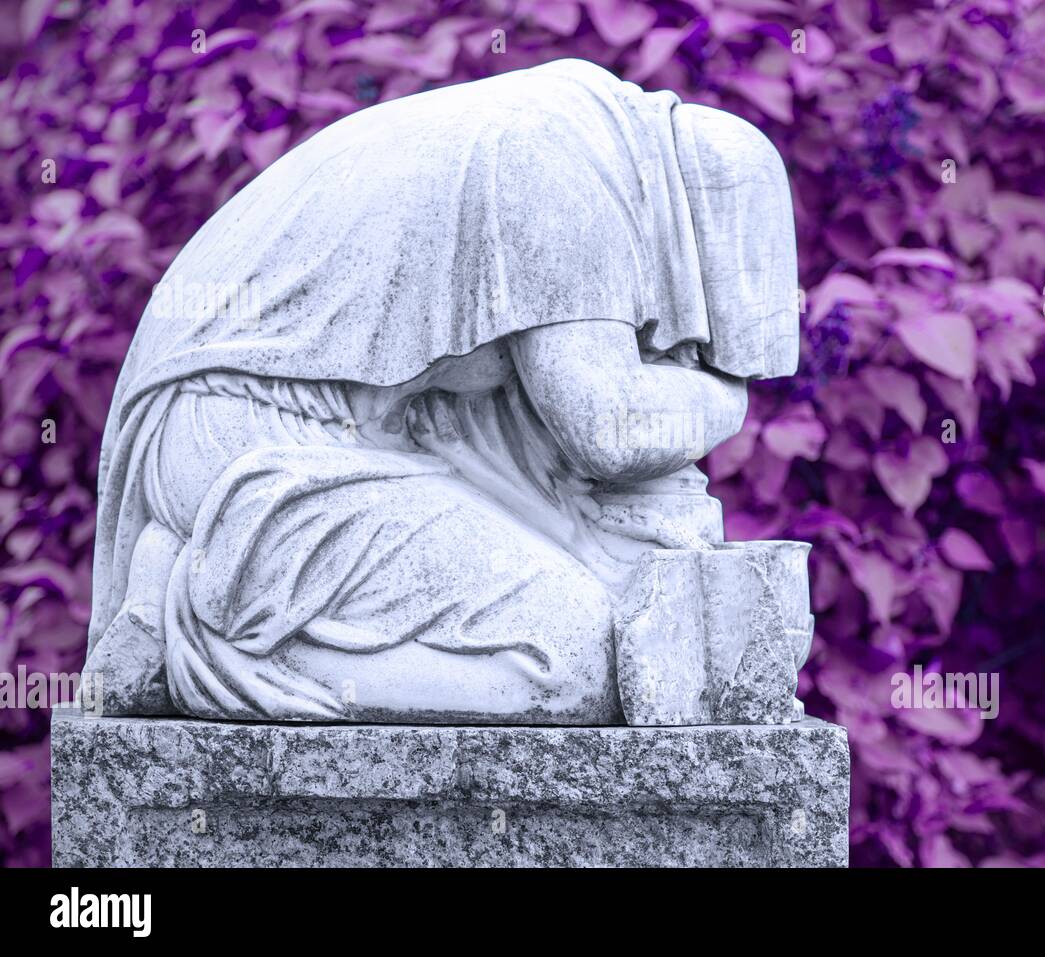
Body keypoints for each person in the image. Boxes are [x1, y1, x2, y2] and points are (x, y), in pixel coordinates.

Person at [85, 59, 798, 723]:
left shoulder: (581, 131)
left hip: (334, 434)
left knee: (628, 606)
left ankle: (226, 588)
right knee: (580, 660)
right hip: (250, 443)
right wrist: (724, 395)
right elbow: (610, 427)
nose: (677, 357)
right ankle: (199, 630)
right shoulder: (562, 165)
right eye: (691, 346)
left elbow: (533, 439)